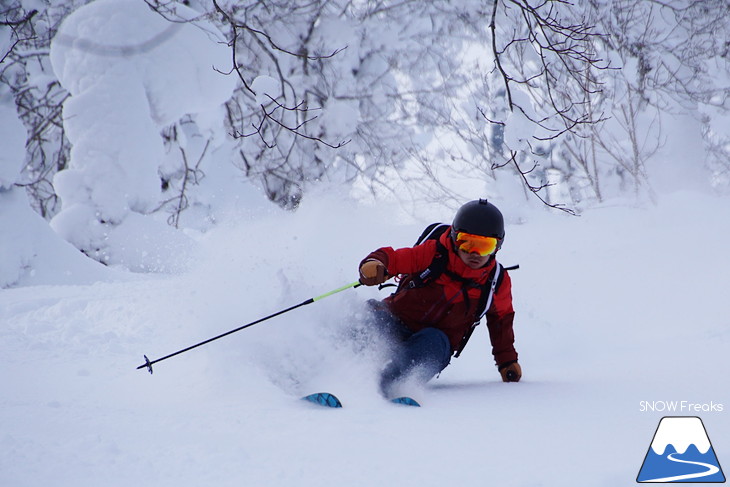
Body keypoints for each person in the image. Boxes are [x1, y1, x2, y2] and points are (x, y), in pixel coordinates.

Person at [358, 199, 520, 398]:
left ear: (497, 247)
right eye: (466, 242)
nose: (474, 253)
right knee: (371, 322)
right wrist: (376, 264)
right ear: (454, 238)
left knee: (434, 343)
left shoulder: (496, 281)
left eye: (484, 246)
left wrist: (506, 361)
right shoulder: (434, 254)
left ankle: (386, 386)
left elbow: (501, 322)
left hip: (434, 342)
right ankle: (331, 370)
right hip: (395, 320)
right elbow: (394, 258)